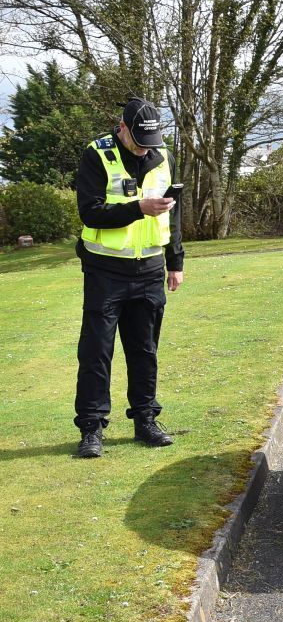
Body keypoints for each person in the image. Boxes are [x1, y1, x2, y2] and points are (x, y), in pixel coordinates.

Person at [74, 97, 184, 458]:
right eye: (137, 141)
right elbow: (91, 213)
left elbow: (173, 215)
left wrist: (175, 261)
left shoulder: (162, 155)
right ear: (122, 128)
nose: (143, 149)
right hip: (105, 271)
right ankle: (91, 428)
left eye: (148, 143)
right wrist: (138, 209)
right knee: (96, 353)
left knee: (144, 351)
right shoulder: (96, 154)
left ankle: (145, 421)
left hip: (150, 270)